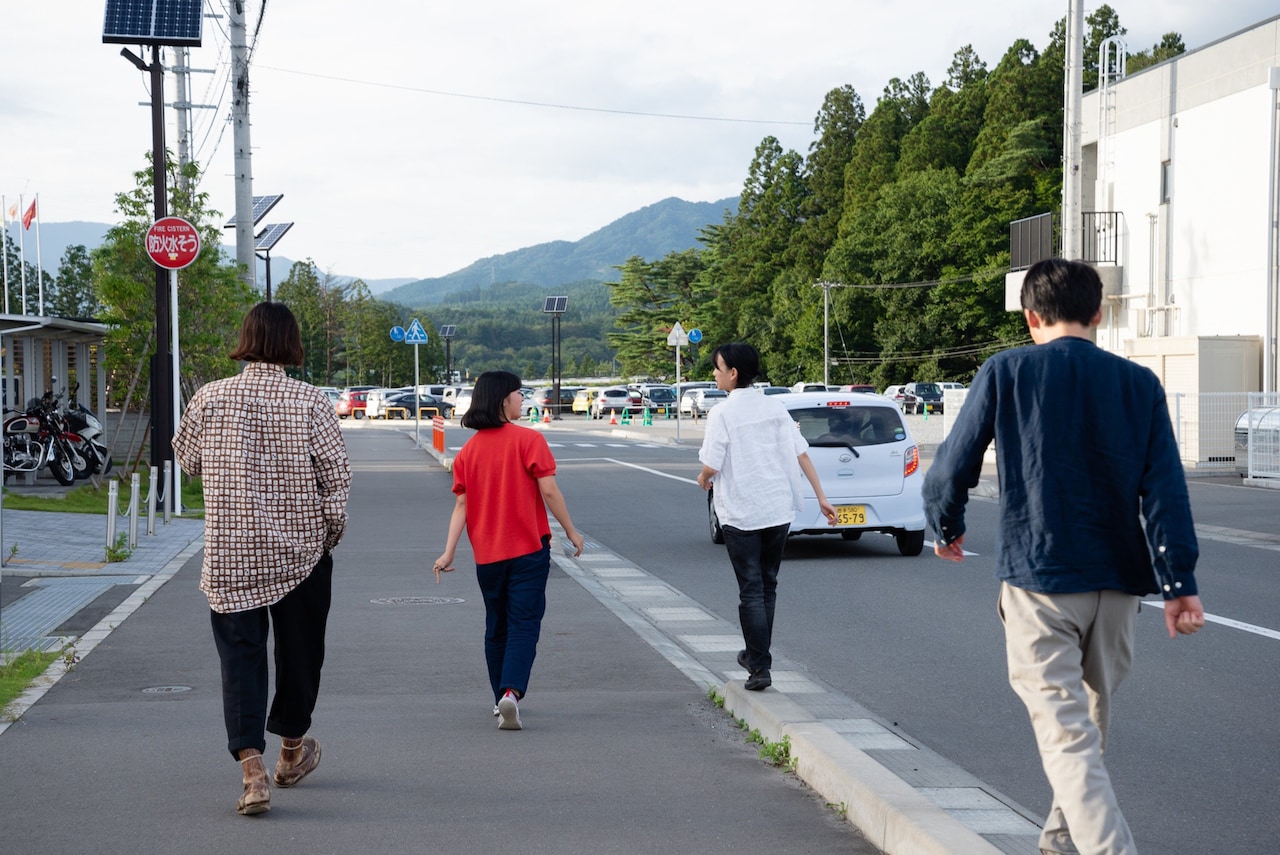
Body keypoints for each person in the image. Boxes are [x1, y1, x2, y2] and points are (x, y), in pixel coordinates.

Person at [922, 259, 1205, 855]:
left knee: (1068, 738)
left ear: (1030, 317)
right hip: (1118, 587)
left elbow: (950, 467)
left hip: (1040, 576)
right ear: (1098, 314)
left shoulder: (1006, 371)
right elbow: (1165, 492)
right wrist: (1179, 581)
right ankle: (1057, 844)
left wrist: (946, 526)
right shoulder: (1139, 384)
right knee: (1085, 731)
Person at [172, 302, 351, 817]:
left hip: (231, 555)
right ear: (292, 344)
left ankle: (252, 772)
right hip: (299, 555)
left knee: (240, 661)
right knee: (300, 655)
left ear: (246, 337)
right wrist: (326, 537)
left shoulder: (210, 397)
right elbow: (335, 483)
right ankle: (291, 753)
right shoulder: (311, 402)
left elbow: (188, 461)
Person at [432, 370, 585, 730]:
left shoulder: (468, 452)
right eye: (518, 394)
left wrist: (448, 552)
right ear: (504, 399)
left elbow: (461, 507)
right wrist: (571, 531)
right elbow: (549, 492)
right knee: (524, 624)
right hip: (529, 551)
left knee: (496, 625)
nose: (522, 399)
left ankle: (500, 700)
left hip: (487, 556)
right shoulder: (529, 440)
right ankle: (511, 693)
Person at [696, 343, 837, 691]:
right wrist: (822, 498)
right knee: (767, 584)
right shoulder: (775, 408)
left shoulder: (722, 414)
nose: (714, 373)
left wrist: (702, 479)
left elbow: (712, 464)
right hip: (777, 510)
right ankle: (756, 656)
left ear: (733, 374)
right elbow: (801, 454)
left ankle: (759, 665)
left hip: (742, 513)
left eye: (718, 367)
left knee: (751, 589)